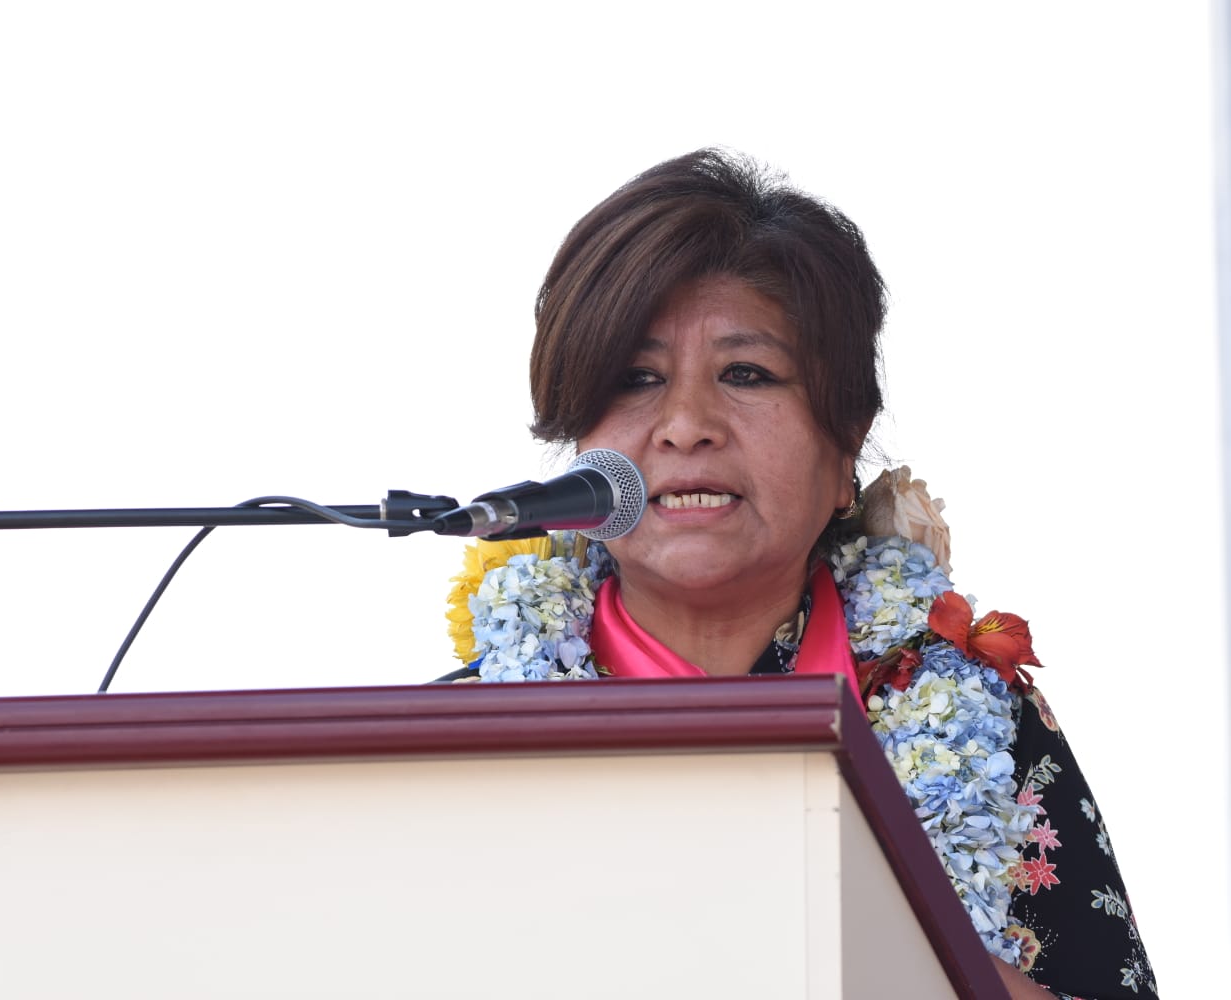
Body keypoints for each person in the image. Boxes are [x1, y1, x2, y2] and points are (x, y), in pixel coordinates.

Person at [442, 149, 1156, 999]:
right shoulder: (463, 729)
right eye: (636, 378)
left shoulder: (981, 712)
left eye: (746, 373)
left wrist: (877, 949)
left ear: (846, 439)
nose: (685, 424)